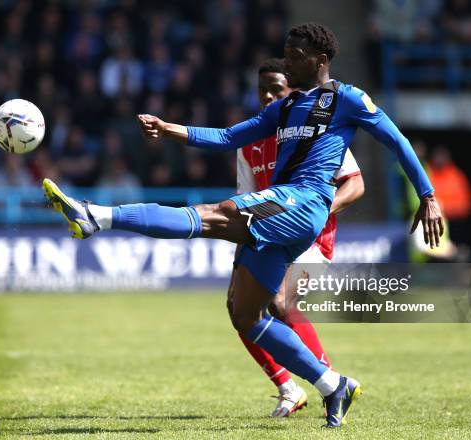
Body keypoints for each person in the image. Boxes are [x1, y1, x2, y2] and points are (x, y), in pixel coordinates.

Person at [42, 22, 443, 428]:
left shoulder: (348, 99)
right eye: (285, 52)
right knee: (246, 314)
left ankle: (97, 216)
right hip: (284, 210)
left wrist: (427, 195)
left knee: (211, 215)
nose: (287, 60)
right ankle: (333, 384)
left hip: (303, 203)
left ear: (320, 61)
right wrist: (169, 130)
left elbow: (397, 141)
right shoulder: (284, 109)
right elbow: (228, 137)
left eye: (295, 55)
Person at [232, 58, 365, 417]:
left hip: (311, 239)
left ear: (293, 90)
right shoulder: (249, 143)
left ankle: (332, 383)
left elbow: (356, 183)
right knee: (239, 305)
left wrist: (322, 209)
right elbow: (246, 201)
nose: (268, 96)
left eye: (276, 89)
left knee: (279, 301)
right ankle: (289, 389)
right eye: (262, 90)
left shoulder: (317, 128)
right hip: (270, 240)